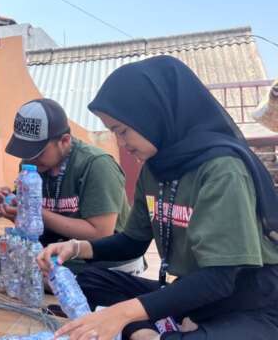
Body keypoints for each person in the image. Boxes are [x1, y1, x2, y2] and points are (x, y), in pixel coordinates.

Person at [37, 55, 278, 340]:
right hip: (190, 295)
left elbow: (220, 279)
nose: (121, 144)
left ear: (154, 114)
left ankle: (147, 331)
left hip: (246, 304)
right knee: (89, 280)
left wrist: (123, 314)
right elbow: (133, 243)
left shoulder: (222, 170)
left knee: (125, 315)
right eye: (115, 133)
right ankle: (152, 329)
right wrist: (76, 248)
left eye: (123, 131)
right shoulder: (155, 168)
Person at [0, 98, 136, 287]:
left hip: (98, 256)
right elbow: (32, 227)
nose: (31, 158)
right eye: (25, 150)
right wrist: (11, 207)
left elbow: (100, 234)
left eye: (38, 151)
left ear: (64, 141)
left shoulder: (96, 164)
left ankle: (51, 280)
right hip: (53, 248)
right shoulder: (32, 166)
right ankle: (55, 281)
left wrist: (36, 212)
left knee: (31, 263)